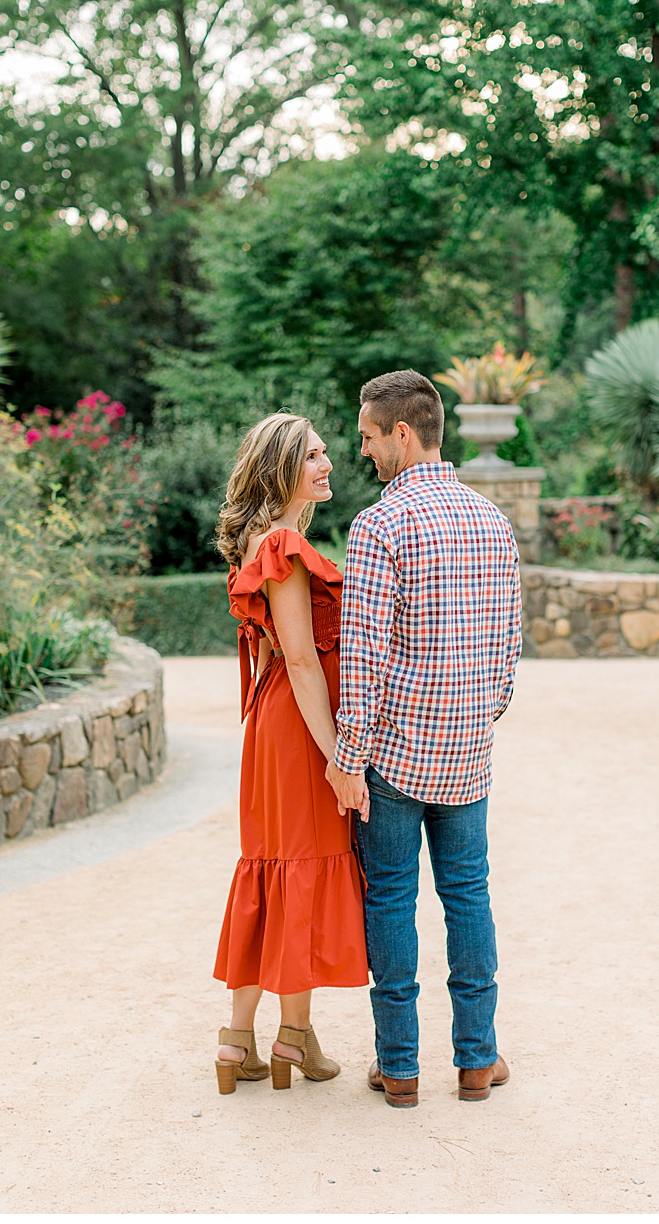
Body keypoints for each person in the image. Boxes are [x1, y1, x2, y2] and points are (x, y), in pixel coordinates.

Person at [330, 370, 522, 1109]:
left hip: (395, 759)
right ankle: (477, 1060)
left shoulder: (380, 526)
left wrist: (350, 760)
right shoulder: (490, 520)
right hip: (468, 752)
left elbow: (365, 659)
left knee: (392, 902)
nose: (366, 451)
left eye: (370, 437)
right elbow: (508, 651)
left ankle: (400, 1067)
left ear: (403, 434)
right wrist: (478, 714)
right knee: (468, 896)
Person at [212, 414, 368, 1093]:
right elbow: (303, 662)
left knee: (273, 870)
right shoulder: (281, 543)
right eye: (312, 455)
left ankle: (240, 1041)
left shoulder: (261, 540)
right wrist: (339, 761)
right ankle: (290, 1039)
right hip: (302, 730)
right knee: (299, 869)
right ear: (280, 468)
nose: (328, 462)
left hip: (270, 727)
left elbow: (274, 655)